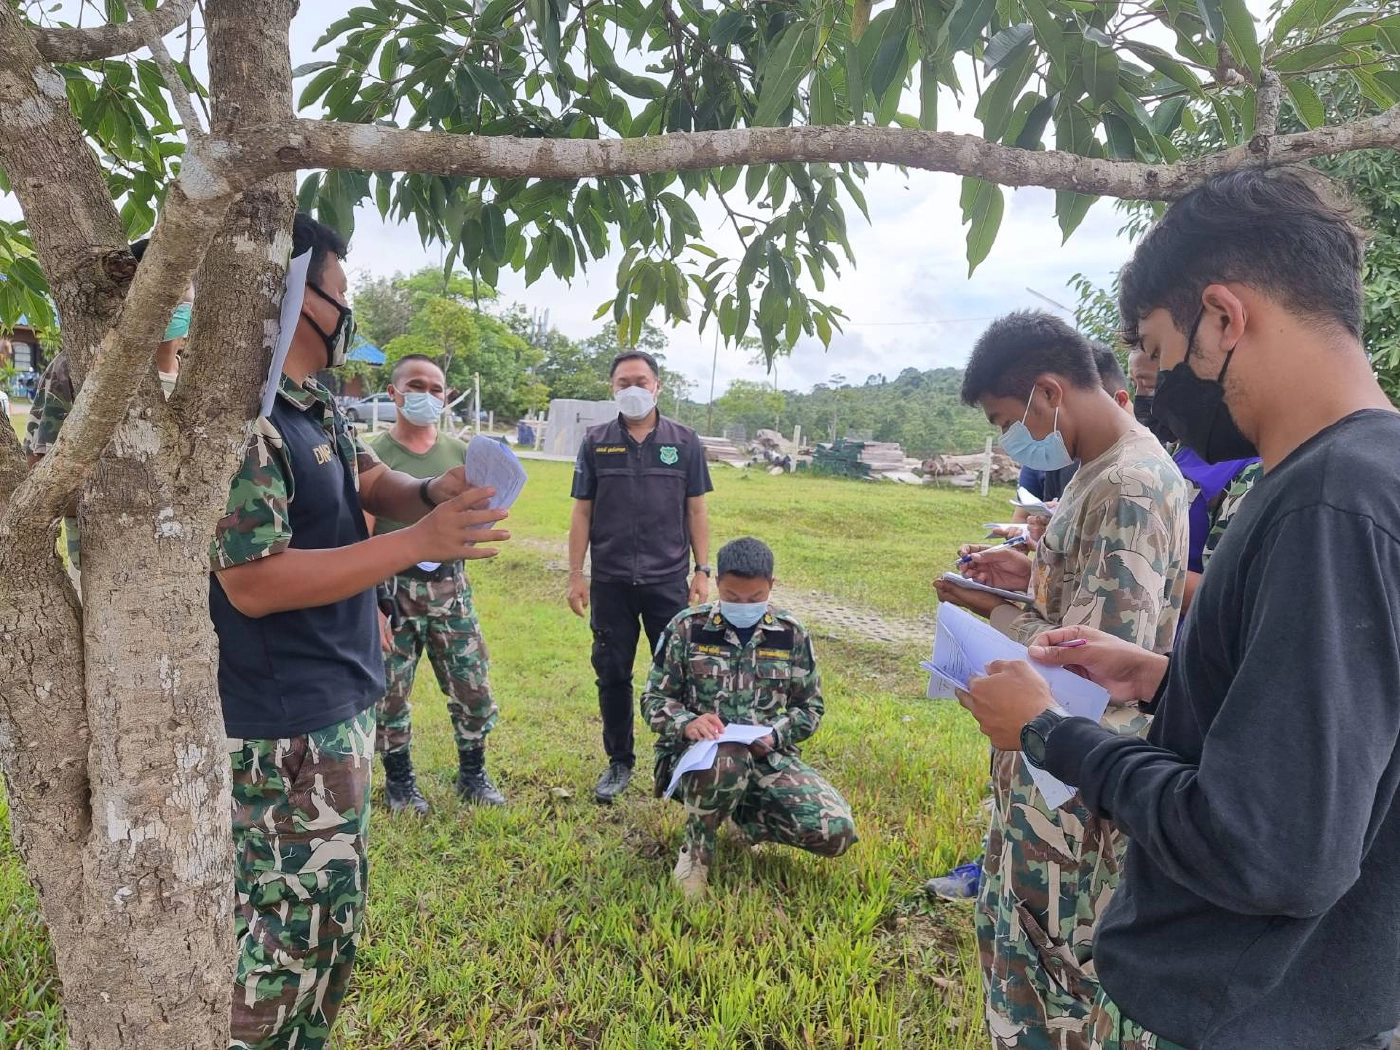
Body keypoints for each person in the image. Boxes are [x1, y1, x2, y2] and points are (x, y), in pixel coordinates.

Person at [958, 169, 1400, 1050]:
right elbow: (1341, 733)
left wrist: (1051, 733)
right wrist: (1165, 677)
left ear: (1225, 317)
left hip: (1259, 1008)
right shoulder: (1368, 476)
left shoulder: (1326, 503)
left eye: (1161, 349)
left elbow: (1269, 850)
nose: (1155, 382)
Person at [210, 213, 511, 1050]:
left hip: (337, 698)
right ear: (296, 298)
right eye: (339, 295)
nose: (348, 315)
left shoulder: (317, 406)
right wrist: (413, 547)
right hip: (285, 722)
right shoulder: (248, 421)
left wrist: (431, 495)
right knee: (283, 940)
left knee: (331, 922)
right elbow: (254, 581)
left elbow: (371, 482)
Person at [933, 311, 1189, 1050]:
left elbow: (1094, 669)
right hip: (1042, 777)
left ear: (1049, 392)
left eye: (1007, 420)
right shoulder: (1093, 471)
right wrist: (1025, 581)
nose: (1010, 438)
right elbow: (1077, 606)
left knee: (1062, 979)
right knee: (1021, 957)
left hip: (1073, 792)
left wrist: (987, 618)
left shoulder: (1131, 485)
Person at [642, 537, 855, 895]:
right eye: (733, 597)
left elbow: (810, 707)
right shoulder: (688, 628)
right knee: (728, 758)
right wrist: (688, 724)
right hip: (697, 760)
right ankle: (695, 855)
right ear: (718, 585)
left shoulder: (789, 635)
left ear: (771, 586)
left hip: (767, 756)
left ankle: (744, 817)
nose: (743, 605)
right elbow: (653, 699)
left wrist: (775, 734)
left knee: (835, 832)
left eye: (754, 598)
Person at [567, 349, 713, 804]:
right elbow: (582, 511)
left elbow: (696, 509)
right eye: (623, 382)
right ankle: (619, 762)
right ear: (612, 388)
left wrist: (702, 570)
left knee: (677, 675)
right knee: (612, 673)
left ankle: (674, 760)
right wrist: (577, 574)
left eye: (641, 381)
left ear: (658, 386)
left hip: (667, 580)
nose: (633, 389)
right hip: (610, 582)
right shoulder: (595, 442)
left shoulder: (685, 442)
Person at [367, 353, 505, 812]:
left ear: (446, 398)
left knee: (473, 684)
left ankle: (473, 774)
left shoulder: (461, 455)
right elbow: (360, 532)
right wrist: (369, 603)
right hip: (392, 590)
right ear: (394, 392)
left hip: (451, 588)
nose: (426, 395)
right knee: (389, 690)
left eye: (436, 389)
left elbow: (479, 513)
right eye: (416, 385)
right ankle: (400, 782)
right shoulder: (374, 456)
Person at [22, 238, 194, 572]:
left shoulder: (195, 374)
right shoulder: (78, 366)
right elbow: (42, 473)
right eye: (161, 285)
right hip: (106, 564)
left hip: (185, 563)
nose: (174, 298)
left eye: (183, 286)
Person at [1129, 345, 1262, 616]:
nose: (1141, 396)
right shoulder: (1176, 451)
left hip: (1184, 644)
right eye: (1135, 384)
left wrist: (1129, 565)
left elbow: (1230, 596)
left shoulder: (1250, 469)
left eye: (1148, 384)